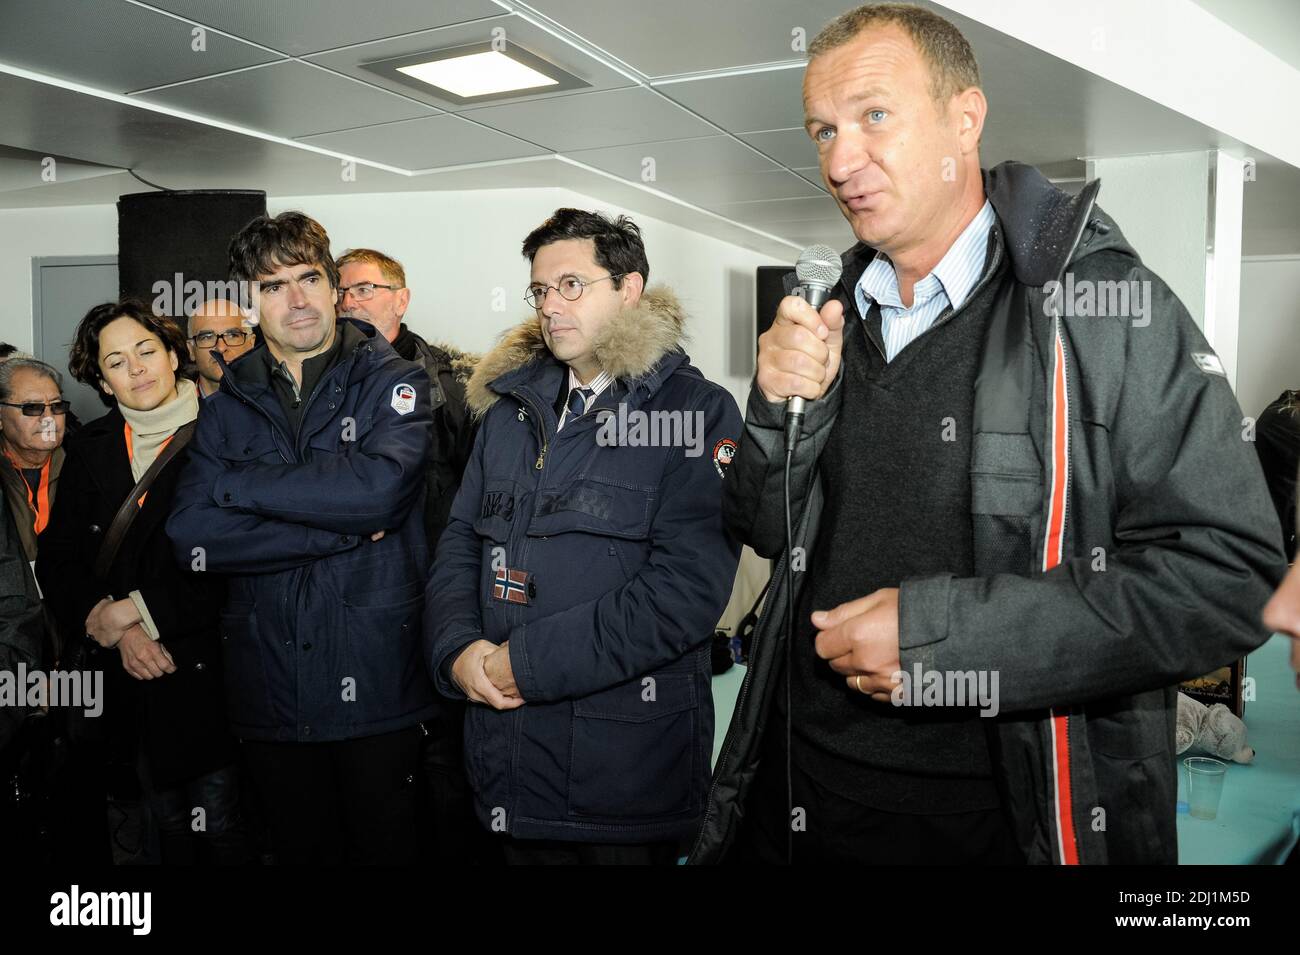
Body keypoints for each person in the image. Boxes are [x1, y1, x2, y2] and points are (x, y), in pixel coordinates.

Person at [690, 2, 1285, 866]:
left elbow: (1228, 578)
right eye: (822, 130)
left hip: (1000, 814)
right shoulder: (829, 317)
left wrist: (946, 641)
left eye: (874, 117)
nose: (840, 160)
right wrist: (777, 409)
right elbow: (762, 528)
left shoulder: (1105, 308)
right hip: (796, 782)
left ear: (965, 119)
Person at [426, 208, 743, 864]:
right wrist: (457, 651)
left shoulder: (695, 412)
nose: (550, 306)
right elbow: (460, 540)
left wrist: (525, 663)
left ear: (629, 289)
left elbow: (683, 593)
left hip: (622, 783)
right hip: (504, 764)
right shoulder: (509, 411)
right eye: (541, 290)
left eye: (571, 284)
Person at [167, 211, 435, 864]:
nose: (296, 299)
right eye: (272, 285)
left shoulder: (394, 381)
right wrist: (338, 533)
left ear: (333, 284)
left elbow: (376, 493)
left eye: (309, 277)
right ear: (250, 301)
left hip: (377, 686)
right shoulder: (227, 403)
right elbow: (191, 533)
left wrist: (242, 485)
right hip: (270, 692)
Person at [36, 300, 244, 864]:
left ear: (175, 354)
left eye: (147, 350)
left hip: (210, 663)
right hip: (129, 673)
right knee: (162, 824)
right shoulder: (90, 446)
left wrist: (139, 611)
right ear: (102, 382)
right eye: (116, 361)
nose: (137, 369)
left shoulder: (232, 432)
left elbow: (240, 557)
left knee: (222, 824)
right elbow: (58, 558)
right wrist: (115, 627)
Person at [336, 247, 479, 861]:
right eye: (341, 291)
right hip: (357, 595)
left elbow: (482, 492)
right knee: (376, 758)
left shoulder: (456, 380)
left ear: (401, 297)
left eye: (364, 289)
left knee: (447, 747)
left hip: (441, 590)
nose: (349, 302)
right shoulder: (326, 380)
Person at [185, 297, 256, 399]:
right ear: (191, 350)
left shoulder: (280, 402)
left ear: (251, 344)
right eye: (207, 337)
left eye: (232, 335)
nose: (221, 348)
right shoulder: (177, 412)